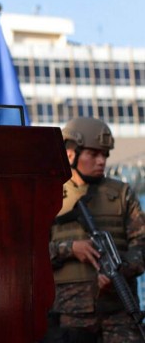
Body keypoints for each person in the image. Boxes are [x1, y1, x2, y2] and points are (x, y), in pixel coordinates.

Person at [46, 117, 145, 342]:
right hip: (69, 314)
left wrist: (120, 268)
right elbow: (30, 251)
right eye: (94, 154)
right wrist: (70, 248)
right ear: (70, 153)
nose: (101, 161)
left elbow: (142, 245)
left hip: (119, 311)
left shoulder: (121, 193)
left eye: (105, 155)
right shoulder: (49, 196)